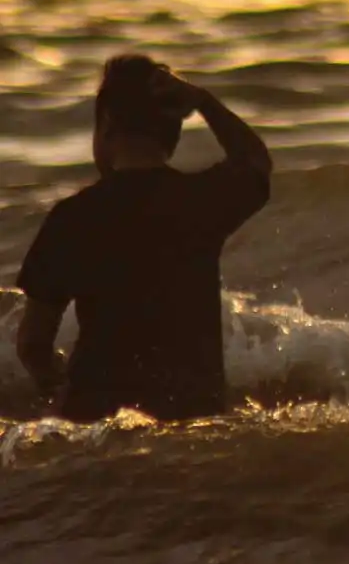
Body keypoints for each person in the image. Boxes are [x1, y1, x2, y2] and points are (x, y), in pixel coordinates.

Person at [15, 54, 272, 422]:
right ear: (172, 134)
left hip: (98, 420)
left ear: (106, 124)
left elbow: (33, 345)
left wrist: (55, 386)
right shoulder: (201, 202)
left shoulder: (72, 217)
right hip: (191, 412)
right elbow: (255, 162)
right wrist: (204, 102)